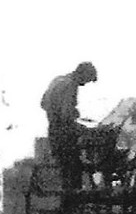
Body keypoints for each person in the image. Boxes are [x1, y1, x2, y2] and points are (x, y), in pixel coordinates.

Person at [40, 62, 98, 206]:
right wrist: (82, 128)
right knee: (73, 173)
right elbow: (66, 116)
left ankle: (67, 210)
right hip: (64, 134)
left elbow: (43, 103)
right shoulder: (71, 85)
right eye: (87, 79)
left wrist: (66, 111)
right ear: (83, 74)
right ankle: (72, 212)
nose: (85, 83)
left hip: (54, 132)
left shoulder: (58, 80)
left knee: (66, 173)